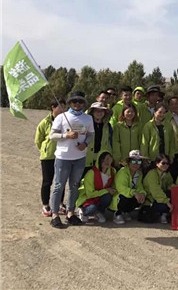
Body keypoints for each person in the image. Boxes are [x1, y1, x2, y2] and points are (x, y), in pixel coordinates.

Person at [48, 93, 95, 228]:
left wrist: (85, 144)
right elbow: (52, 135)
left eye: (80, 102)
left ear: (83, 104)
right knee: (58, 186)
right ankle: (55, 215)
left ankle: (70, 213)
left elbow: (90, 134)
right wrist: (65, 135)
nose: (77, 104)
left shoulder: (88, 118)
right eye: (74, 101)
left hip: (79, 158)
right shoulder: (62, 117)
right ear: (69, 103)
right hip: (63, 157)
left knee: (74, 186)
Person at [35, 98, 66, 217]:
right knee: (47, 181)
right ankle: (46, 204)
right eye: (60, 106)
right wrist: (45, 149)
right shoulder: (45, 122)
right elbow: (38, 139)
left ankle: (60, 203)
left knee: (61, 181)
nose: (63, 109)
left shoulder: (65, 121)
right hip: (48, 156)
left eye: (64, 106)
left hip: (62, 155)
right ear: (53, 107)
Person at [75, 151, 117, 223]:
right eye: (105, 159)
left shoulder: (113, 171)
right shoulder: (91, 173)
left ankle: (99, 212)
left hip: (99, 197)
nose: (107, 161)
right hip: (87, 198)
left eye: (110, 159)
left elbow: (113, 186)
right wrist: (106, 190)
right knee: (92, 208)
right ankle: (83, 210)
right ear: (99, 160)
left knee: (108, 197)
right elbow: (90, 194)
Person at [112, 150, 147, 224]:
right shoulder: (122, 172)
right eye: (133, 161)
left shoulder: (139, 174)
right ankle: (117, 213)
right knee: (123, 197)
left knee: (141, 198)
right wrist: (134, 193)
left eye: (139, 162)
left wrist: (142, 193)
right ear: (128, 162)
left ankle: (125, 212)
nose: (136, 164)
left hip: (130, 194)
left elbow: (139, 186)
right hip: (117, 196)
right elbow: (121, 188)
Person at [143, 154, 174, 223]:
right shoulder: (152, 174)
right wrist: (167, 202)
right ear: (157, 163)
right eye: (163, 163)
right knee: (166, 206)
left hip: (160, 197)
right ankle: (162, 214)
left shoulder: (166, 173)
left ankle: (164, 214)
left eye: (167, 163)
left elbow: (170, 185)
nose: (165, 165)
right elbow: (156, 191)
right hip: (150, 200)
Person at [85, 102, 113, 172]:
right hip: (86, 158)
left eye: (101, 111)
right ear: (92, 112)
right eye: (96, 111)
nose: (99, 113)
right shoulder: (86, 124)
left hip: (101, 159)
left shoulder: (107, 126)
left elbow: (110, 141)